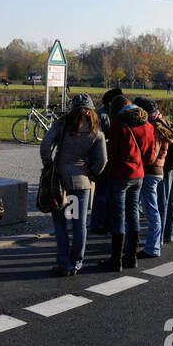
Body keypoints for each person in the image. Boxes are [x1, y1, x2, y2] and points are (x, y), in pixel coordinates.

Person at [40, 94, 107, 276]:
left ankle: (64, 262)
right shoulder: (96, 131)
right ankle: (76, 262)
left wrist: (49, 164)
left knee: (60, 223)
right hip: (80, 184)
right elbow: (102, 160)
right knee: (79, 224)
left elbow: (45, 144)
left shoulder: (62, 125)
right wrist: (91, 173)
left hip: (60, 184)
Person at [101, 95, 148, 268]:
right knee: (133, 213)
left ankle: (116, 260)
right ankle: (131, 257)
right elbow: (149, 154)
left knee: (118, 217)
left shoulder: (118, 124)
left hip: (120, 174)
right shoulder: (146, 124)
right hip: (139, 174)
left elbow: (112, 153)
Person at [139, 96, 173, 252]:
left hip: (155, 169)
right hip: (168, 166)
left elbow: (152, 154)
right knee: (167, 204)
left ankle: (155, 243)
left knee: (154, 208)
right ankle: (164, 236)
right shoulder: (164, 122)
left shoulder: (152, 125)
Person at [89, 88, 123, 236]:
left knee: (106, 193)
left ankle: (103, 222)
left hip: (107, 158)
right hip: (103, 158)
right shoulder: (103, 115)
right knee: (102, 193)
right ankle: (98, 224)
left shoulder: (104, 113)